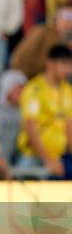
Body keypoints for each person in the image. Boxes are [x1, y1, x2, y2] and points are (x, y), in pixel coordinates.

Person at [17, 45, 72, 178]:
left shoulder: (67, 90)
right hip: (35, 157)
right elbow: (30, 127)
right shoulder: (34, 89)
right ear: (50, 64)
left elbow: (69, 125)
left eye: (70, 65)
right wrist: (48, 160)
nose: (68, 69)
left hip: (60, 157)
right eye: (64, 64)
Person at [10, 4, 72, 80]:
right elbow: (17, 61)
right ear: (57, 17)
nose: (70, 20)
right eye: (67, 15)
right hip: (26, 76)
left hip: (54, 83)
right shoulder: (41, 32)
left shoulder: (68, 41)